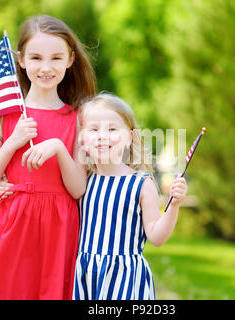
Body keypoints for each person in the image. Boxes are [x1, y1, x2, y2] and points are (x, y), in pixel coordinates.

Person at [0, 14, 96, 300]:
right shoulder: (6, 117)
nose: (46, 67)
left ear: (71, 59)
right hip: (13, 224)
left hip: (59, 227)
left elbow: (78, 189)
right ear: (22, 60)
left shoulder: (77, 118)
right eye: (36, 58)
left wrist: (59, 148)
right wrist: (12, 143)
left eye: (56, 58)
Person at [72, 93, 187, 300]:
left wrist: (174, 205)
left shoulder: (141, 184)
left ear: (129, 138)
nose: (102, 136)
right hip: (85, 276)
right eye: (94, 129)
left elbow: (156, 237)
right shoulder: (82, 182)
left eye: (113, 129)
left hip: (124, 281)